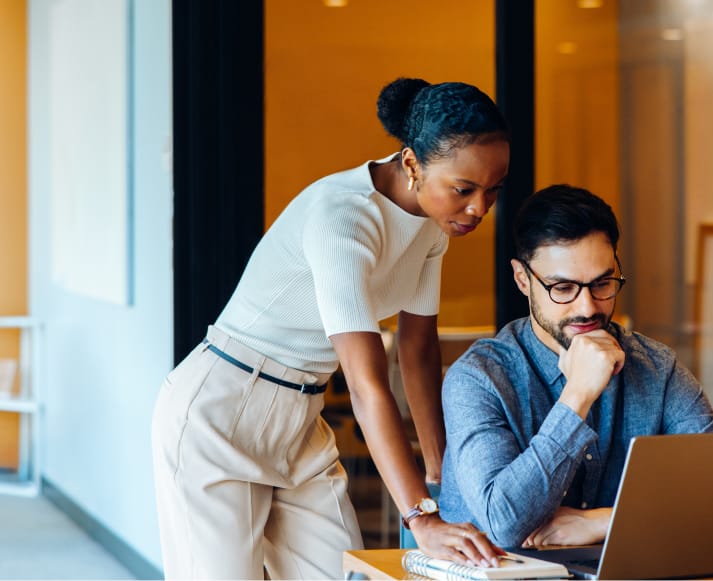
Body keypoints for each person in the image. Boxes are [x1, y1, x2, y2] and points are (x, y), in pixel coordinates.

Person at [151, 77, 509, 580]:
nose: (479, 208)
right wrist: (419, 515)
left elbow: (417, 349)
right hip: (222, 411)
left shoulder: (432, 225)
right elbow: (366, 386)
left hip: (301, 415)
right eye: (464, 189)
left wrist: (440, 473)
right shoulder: (343, 218)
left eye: (493, 190)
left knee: (344, 574)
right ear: (411, 163)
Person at [437, 184, 713, 549]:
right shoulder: (479, 378)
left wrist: (603, 521)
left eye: (602, 283)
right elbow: (503, 523)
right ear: (523, 280)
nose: (588, 307)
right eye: (563, 287)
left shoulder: (656, 368)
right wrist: (578, 395)